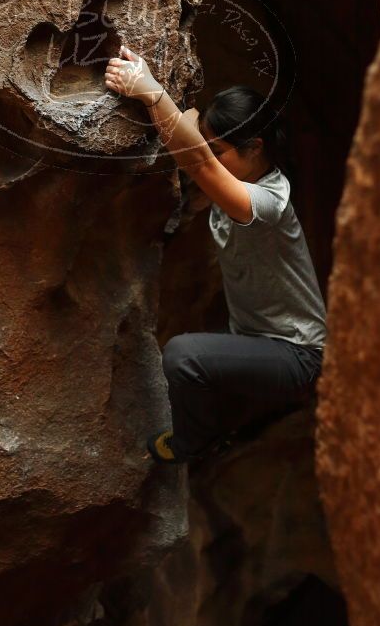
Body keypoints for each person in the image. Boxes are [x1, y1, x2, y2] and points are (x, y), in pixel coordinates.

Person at [104, 46, 327, 465]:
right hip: (254, 339)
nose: (212, 155)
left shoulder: (266, 202)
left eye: (221, 149)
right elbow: (190, 130)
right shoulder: (241, 176)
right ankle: (226, 422)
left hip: (298, 355)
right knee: (199, 356)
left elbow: (199, 163)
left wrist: (150, 92)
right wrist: (179, 117)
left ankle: (197, 443)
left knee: (183, 355)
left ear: (255, 147)